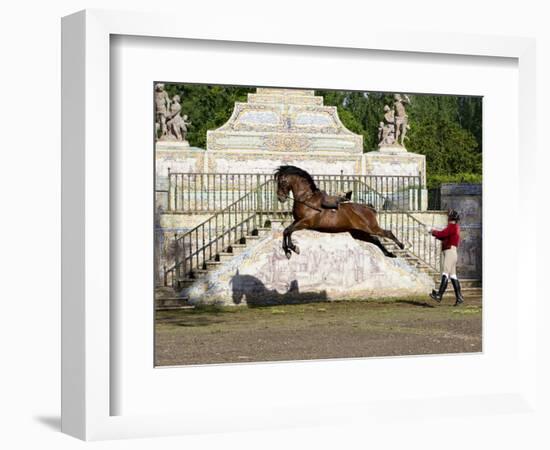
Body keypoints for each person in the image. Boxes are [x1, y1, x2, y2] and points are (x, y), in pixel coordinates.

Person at [428, 209, 465, 306]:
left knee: (445, 273)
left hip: (450, 253)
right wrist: (434, 233)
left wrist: (433, 231)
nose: (447, 218)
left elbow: (442, 234)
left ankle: (439, 295)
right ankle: (459, 297)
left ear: (451, 218)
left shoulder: (452, 226)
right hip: (452, 252)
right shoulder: (454, 227)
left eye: (449, 217)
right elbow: (444, 236)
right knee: (453, 276)